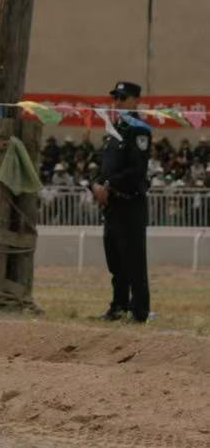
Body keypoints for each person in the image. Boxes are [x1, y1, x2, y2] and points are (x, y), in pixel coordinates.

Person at [92, 81, 152, 322]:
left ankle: (139, 311)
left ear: (135, 100)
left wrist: (109, 185)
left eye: (122, 98)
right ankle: (118, 305)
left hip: (130, 203)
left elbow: (137, 169)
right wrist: (95, 184)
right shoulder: (114, 130)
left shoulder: (139, 130)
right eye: (115, 98)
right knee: (115, 259)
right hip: (112, 204)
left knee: (134, 260)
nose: (116, 103)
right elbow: (102, 164)